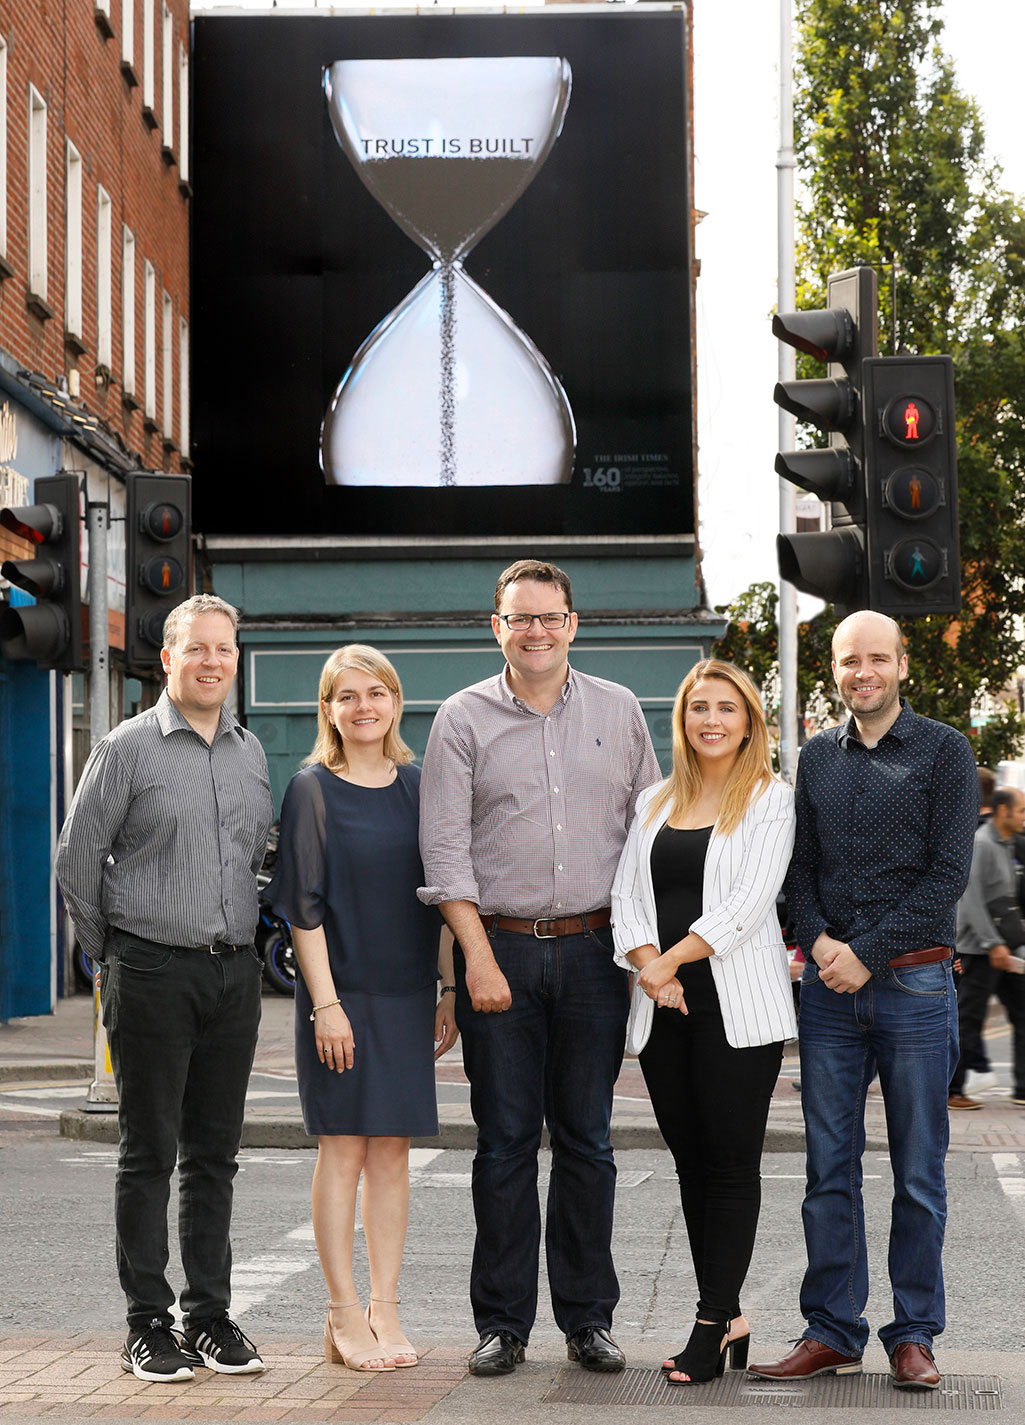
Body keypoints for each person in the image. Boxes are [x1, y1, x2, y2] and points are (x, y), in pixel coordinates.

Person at [418, 558, 660, 1377]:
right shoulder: (460, 719)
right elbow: (445, 853)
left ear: (572, 623)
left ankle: (588, 1317)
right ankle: (502, 1324)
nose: (535, 631)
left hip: (596, 951)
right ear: (497, 627)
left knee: (588, 1140)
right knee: (505, 1142)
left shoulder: (620, 711)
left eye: (549, 617)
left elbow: (647, 843)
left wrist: (640, 953)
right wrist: (475, 960)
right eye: (519, 618)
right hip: (503, 950)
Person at [748, 611, 978, 1393]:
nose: (862, 672)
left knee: (918, 1172)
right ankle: (832, 1328)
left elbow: (947, 875)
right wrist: (819, 947)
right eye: (849, 661)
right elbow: (797, 871)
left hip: (913, 984)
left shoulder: (945, 750)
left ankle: (912, 1334)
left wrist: (863, 953)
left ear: (901, 665)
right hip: (826, 993)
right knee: (826, 1170)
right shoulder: (815, 757)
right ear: (835, 670)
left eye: (876, 658)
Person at [55, 594, 274, 1383]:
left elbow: (254, 854)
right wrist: (112, 956)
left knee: (214, 1154)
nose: (213, 661)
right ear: (168, 659)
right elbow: (78, 859)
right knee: (150, 1150)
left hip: (232, 973)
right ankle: (146, 1322)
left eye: (225, 648)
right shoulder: (127, 748)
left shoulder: (250, 752)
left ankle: (209, 1317)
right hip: (149, 967)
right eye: (198, 649)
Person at [269, 645, 458, 1372]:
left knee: (392, 1154)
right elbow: (302, 911)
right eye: (345, 695)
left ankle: (386, 1305)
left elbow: (439, 897)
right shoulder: (312, 787)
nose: (362, 706)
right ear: (328, 710)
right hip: (341, 998)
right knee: (342, 1148)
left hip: (409, 995)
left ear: (395, 701)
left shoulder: (419, 786)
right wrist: (325, 1006)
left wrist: (445, 989)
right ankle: (342, 1312)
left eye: (375, 692)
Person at [611, 659, 796, 1384]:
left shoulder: (769, 798)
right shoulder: (655, 801)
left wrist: (669, 963)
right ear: (682, 719)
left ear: (748, 719)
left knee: (729, 1164)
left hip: (733, 1009)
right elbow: (625, 895)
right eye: (698, 707)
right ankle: (731, 1315)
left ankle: (708, 1322)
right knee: (691, 1165)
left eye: (725, 707)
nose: (710, 719)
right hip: (664, 1011)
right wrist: (652, 967)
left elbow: (750, 902)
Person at [947, 786, 1025, 1111]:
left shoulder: (1006, 844)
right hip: (981, 950)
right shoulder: (982, 844)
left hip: (1003, 948)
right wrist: (993, 944)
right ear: (1003, 810)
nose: (1024, 817)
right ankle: (953, 1089)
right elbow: (971, 900)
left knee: (1022, 1014)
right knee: (969, 1020)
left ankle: (1021, 1086)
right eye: (1021, 811)